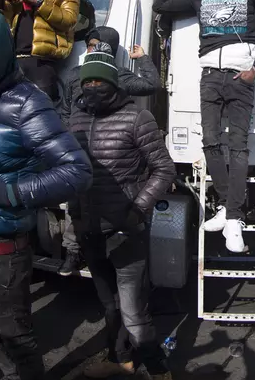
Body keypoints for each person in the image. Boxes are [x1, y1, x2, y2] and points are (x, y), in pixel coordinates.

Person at [0, 10, 92, 380]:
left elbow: (77, 171)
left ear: (1, 54)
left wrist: (12, 192)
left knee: (18, 339)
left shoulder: (28, 103)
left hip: (0, 253)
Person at [152, 0, 255, 252]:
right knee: (210, 142)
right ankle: (226, 207)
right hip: (209, 76)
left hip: (241, 77)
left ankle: (234, 219)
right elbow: (160, 5)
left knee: (237, 147)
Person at [69, 50, 176, 380]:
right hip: (89, 230)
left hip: (125, 232)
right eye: (87, 81)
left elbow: (164, 169)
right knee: (109, 305)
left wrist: (138, 208)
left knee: (133, 314)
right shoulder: (75, 119)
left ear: (114, 83)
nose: (93, 86)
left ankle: (159, 371)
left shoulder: (136, 118)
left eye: (99, 80)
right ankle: (124, 362)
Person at [58, 26, 161, 276]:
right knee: (76, 204)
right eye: (89, 45)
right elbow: (64, 109)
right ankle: (73, 252)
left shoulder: (119, 76)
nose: (91, 50)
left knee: (109, 204)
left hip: (110, 147)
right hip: (78, 145)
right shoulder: (74, 74)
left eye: (97, 45)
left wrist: (144, 58)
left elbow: (151, 84)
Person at [3, 0, 80, 101]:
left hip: (41, 62)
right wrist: (10, 1)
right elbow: (10, 18)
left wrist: (38, 1)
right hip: (16, 59)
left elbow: (70, 20)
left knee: (42, 114)